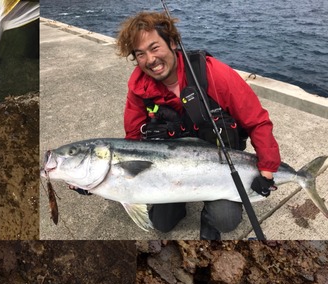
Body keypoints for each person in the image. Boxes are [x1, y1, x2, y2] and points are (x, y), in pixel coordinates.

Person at [116, 12, 281, 240]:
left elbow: (258, 121)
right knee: (161, 224)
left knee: (226, 219)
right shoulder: (139, 89)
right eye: (140, 54)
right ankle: (179, 201)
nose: (150, 60)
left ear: (173, 43)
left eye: (155, 48)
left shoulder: (213, 73)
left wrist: (268, 168)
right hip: (171, 167)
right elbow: (133, 140)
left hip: (221, 164)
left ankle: (209, 216)